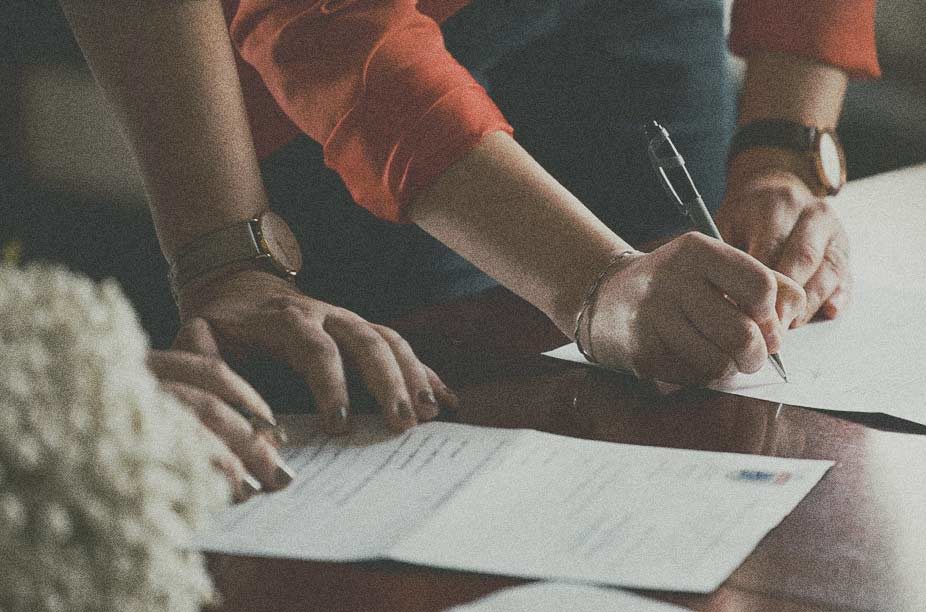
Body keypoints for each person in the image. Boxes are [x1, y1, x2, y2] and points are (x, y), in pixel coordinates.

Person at [58, 0, 877, 494]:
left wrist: (782, 154)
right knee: (398, 426)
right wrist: (593, 284)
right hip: (346, 51)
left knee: (693, 367)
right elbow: (329, 22)